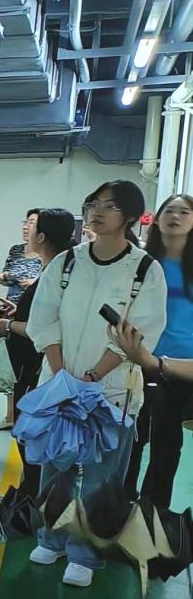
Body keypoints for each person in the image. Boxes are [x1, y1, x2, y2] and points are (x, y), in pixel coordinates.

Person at [26, 180, 167, 588]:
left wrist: (90, 379)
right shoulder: (66, 263)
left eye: (110, 206)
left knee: (102, 476)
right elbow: (44, 319)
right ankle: (51, 538)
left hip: (111, 392)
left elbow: (138, 333)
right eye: (93, 204)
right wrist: (63, 375)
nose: (98, 212)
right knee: (55, 467)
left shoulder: (144, 269)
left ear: (129, 216)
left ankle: (85, 553)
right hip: (59, 385)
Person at [112, 320, 193, 599]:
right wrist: (154, 362)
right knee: (146, 443)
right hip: (161, 370)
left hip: (163, 366)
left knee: (164, 450)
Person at [0, 208, 77, 498]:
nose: (27, 228)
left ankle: (34, 498)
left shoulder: (54, 274)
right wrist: (17, 312)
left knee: (31, 433)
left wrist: (9, 325)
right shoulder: (53, 271)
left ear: (41, 236)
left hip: (36, 368)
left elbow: (46, 329)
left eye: (33, 224)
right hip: (31, 365)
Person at [124, 194, 193, 506]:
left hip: (182, 365)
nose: (175, 216)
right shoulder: (141, 263)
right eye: (169, 210)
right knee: (131, 436)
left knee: (167, 441)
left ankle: (154, 510)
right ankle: (120, 503)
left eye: (184, 211)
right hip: (137, 359)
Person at [0, 210, 44, 430]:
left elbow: (45, 283)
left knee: (28, 368)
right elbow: (4, 273)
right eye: (25, 222)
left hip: (32, 314)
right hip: (10, 308)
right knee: (10, 365)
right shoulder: (16, 250)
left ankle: (27, 415)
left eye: (32, 223)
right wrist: (3, 277)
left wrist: (32, 284)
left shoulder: (46, 255)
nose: (26, 226)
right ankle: (11, 415)